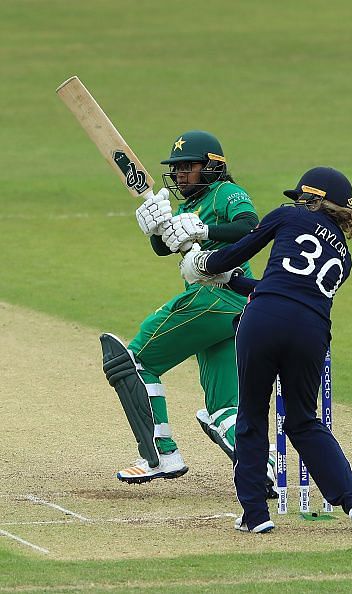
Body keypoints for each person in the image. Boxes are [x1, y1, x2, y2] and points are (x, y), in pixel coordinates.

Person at [179, 166, 352, 533]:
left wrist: (201, 264)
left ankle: (256, 516)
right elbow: (288, 289)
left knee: (252, 416)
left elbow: (234, 255)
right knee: (304, 421)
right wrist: (235, 280)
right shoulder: (345, 259)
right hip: (311, 333)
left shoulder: (288, 215)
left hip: (263, 322)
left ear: (314, 199)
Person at [100, 130, 277, 496]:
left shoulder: (227, 193)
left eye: (188, 166)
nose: (180, 173)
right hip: (233, 313)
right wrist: (156, 226)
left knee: (133, 363)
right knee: (224, 407)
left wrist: (204, 227)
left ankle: (162, 456)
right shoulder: (184, 207)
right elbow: (164, 249)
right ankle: (264, 472)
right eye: (176, 167)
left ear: (212, 166)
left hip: (215, 298)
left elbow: (251, 227)